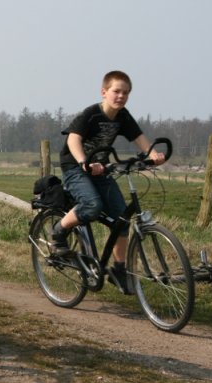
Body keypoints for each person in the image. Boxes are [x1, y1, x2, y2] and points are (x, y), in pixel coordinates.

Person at [53, 70, 165, 295]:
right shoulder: (91, 114)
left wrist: (153, 154)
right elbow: (73, 139)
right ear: (104, 92)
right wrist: (84, 162)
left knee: (122, 218)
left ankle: (119, 270)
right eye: (116, 91)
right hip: (75, 167)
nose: (121, 96)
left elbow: (139, 138)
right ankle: (58, 232)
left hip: (101, 169)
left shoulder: (123, 116)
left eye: (126, 93)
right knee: (92, 205)